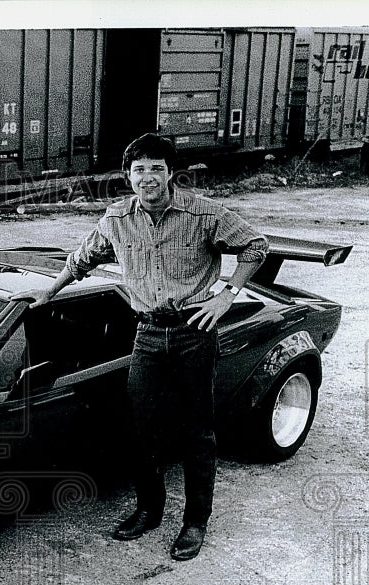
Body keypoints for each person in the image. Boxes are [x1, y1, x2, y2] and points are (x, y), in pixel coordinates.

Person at [22, 133, 268, 560]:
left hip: (194, 330)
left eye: (156, 168)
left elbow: (256, 246)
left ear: (171, 173)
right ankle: (150, 509)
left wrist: (226, 294)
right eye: (139, 170)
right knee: (140, 426)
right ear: (128, 176)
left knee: (197, 431)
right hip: (148, 333)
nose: (147, 178)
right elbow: (81, 259)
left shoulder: (204, 214)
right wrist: (49, 293)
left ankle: (195, 523)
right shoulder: (117, 219)